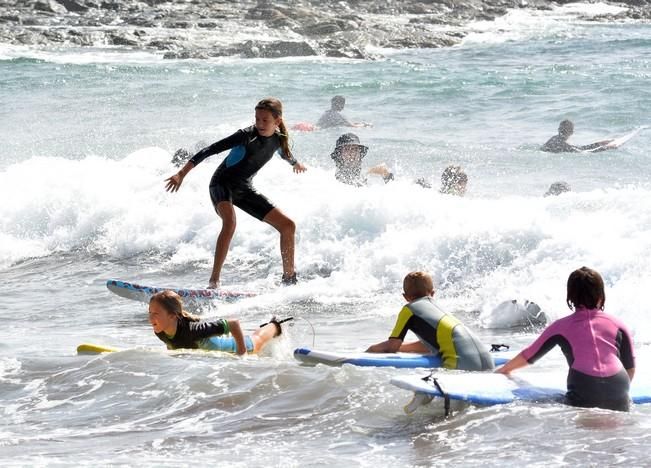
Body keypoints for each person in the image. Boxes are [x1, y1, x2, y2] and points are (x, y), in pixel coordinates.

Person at [165, 97, 307, 288]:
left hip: (243, 188)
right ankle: (214, 281)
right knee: (230, 222)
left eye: (265, 120)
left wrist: (295, 163)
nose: (260, 123)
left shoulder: (278, 140)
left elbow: (284, 153)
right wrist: (181, 174)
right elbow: (209, 150)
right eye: (257, 119)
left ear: (277, 121)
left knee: (288, 226)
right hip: (221, 184)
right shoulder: (246, 135)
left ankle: (289, 279)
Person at [496, 267, 635, 411]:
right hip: (619, 385)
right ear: (601, 296)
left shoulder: (560, 326)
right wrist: (614, 392)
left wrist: (504, 370)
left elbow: (530, 354)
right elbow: (630, 367)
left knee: (540, 404)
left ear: (570, 297)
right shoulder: (619, 324)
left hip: (584, 387)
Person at [365, 271, 495, 371]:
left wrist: (369, 350)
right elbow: (430, 345)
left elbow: (391, 347)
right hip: (488, 360)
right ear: (433, 293)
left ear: (405, 297)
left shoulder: (409, 309)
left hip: (460, 364)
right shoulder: (440, 309)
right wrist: (402, 348)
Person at [148, 290, 291, 355]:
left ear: (173, 316)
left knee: (257, 340)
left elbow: (233, 323)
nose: (151, 318)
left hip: (238, 347)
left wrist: (242, 353)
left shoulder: (194, 330)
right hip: (215, 352)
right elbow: (174, 343)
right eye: (150, 313)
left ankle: (276, 324)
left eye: (155, 314)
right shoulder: (160, 331)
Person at [541, 120, 613, 153]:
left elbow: (580, 148)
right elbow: (583, 152)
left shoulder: (554, 138)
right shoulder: (563, 145)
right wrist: (605, 148)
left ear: (558, 130)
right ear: (571, 132)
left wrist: (599, 144)